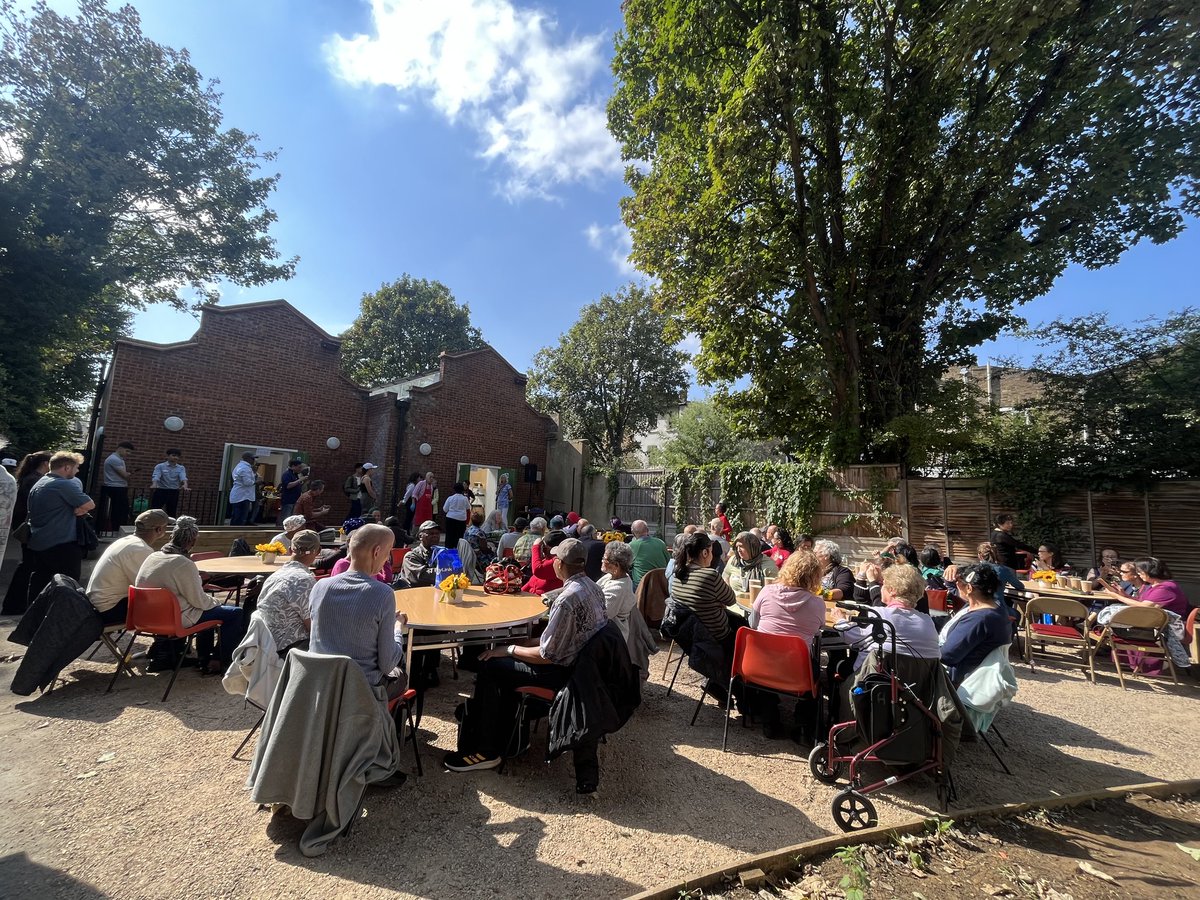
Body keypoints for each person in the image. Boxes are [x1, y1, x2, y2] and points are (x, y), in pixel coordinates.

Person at [443, 538, 606, 775]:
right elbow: (561, 638)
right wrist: (521, 644)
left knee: (490, 665)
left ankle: (486, 750)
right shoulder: (593, 588)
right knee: (502, 660)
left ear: (559, 564)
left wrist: (508, 649)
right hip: (582, 668)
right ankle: (509, 735)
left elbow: (547, 655)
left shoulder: (567, 598)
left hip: (562, 673)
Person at [135, 516, 245, 674]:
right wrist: (216, 602)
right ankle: (218, 660)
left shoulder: (153, 557)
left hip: (145, 617)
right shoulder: (183, 564)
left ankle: (203, 656)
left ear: (172, 536)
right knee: (235, 613)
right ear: (192, 541)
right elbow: (200, 601)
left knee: (208, 610)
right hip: (174, 619)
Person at [310, 523, 408, 699]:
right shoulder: (383, 593)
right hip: (361, 688)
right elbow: (387, 663)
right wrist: (397, 628)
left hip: (322, 682)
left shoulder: (320, 586)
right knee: (401, 674)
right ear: (377, 552)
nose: (387, 559)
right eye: (388, 553)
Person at [669, 531, 739, 698]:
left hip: (689, 636)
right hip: (715, 635)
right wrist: (716, 602)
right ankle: (732, 685)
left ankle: (716, 682)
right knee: (742, 630)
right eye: (711, 552)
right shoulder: (709, 575)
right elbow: (731, 600)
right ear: (705, 552)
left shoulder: (678, 573)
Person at [835, 564, 940, 671]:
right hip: (918, 679)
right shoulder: (927, 621)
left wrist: (840, 619)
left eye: (882, 584)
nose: (881, 588)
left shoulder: (879, 614)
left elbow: (849, 636)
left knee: (840, 666)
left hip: (874, 677)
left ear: (892, 590)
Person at [25, 451, 95, 608]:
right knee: (68, 585)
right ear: (66, 467)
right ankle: (62, 617)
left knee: (40, 582)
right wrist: (79, 509)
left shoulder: (40, 482)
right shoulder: (63, 484)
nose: (77, 471)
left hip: (40, 541)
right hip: (62, 542)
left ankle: (34, 615)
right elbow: (90, 504)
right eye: (76, 467)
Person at [86, 509, 172, 626]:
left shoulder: (125, 541)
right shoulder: (139, 549)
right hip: (109, 608)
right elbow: (147, 585)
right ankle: (167, 637)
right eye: (166, 527)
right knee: (171, 605)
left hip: (99, 603)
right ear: (159, 530)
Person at [940, 563, 1012, 685]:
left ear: (969, 588)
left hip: (955, 679)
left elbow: (947, 655)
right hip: (970, 673)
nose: (956, 585)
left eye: (958, 582)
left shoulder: (979, 620)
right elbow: (954, 588)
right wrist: (953, 570)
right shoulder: (994, 607)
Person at [257, 529, 321, 656]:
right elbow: (314, 627)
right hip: (290, 649)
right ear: (318, 551)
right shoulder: (304, 581)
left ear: (290, 550)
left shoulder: (274, 576)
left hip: (266, 643)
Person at [751, 549, 825, 641]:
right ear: (816, 576)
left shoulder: (767, 592)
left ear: (786, 568)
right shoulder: (818, 604)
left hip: (761, 648)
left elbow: (753, 624)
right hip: (797, 650)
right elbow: (817, 630)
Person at [1097, 557, 1189, 617]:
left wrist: (1117, 596)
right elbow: (1141, 602)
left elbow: (1144, 607)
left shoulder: (1165, 588)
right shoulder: (1154, 586)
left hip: (1168, 625)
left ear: (1150, 571)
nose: (1139, 574)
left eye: (1140, 571)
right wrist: (1124, 595)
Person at [597, 540, 636, 640]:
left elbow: (600, 615)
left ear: (616, 566)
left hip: (611, 636)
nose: (602, 561)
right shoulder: (612, 576)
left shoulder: (618, 589)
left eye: (605, 559)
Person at [100, 440, 134, 534]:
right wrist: (129, 474)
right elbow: (124, 475)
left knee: (120, 510)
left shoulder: (118, 459)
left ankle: (117, 530)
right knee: (119, 511)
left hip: (117, 486)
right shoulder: (114, 459)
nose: (128, 454)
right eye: (127, 451)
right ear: (120, 448)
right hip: (116, 487)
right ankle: (116, 530)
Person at [399, 520, 445, 587]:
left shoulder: (442, 554)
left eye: (437, 533)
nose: (435, 536)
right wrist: (447, 571)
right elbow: (421, 575)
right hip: (414, 591)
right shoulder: (411, 556)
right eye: (431, 533)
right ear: (420, 536)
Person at [522, 528, 566, 595]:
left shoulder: (559, 562)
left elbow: (538, 570)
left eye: (544, 548)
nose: (543, 551)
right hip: (532, 598)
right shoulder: (546, 560)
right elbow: (532, 582)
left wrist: (536, 547)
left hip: (544, 599)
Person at [629, 519, 670, 589]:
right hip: (661, 585)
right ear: (648, 530)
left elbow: (626, 566)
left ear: (633, 533)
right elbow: (668, 562)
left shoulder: (632, 545)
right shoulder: (660, 543)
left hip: (642, 587)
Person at [150, 448, 188, 516]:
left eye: (177, 456)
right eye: (173, 455)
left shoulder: (181, 468)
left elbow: (183, 476)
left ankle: (170, 523)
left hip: (174, 491)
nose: (176, 458)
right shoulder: (160, 466)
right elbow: (156, 476)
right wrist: (154, 484)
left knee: (172, 512)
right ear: (167, 456)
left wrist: (185, 484)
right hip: (161, 490)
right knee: (155, 511)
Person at [229, 451, 258, 526]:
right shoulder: (245, 468)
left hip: (239, 495)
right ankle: (237, 531)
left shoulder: (240, 466)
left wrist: (254, 473)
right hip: (243, 496)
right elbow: (247, 482)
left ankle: (232, 530)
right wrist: (257, 482)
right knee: (240, 519)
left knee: (236, 517)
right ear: (247, 458)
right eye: (253, 459)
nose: (254, 460)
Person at [442, 481, 472, 549]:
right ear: (462, 490)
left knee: (449, 535)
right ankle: (458, 550)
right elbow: (468, 508)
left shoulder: (450, 498)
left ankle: (448, 549)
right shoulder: (465, 499)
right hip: (461, 520)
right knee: (459, 536)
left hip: (450, 518)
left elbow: (445, 509)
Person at [277, 458, 306, 524]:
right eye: (299, 467)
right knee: (286, 518)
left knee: (292, 519)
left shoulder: (295, 475)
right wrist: (299, 480)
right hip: (288, 500)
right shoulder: (287, 474)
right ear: (293, 466)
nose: (300, 469)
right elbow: (288, 485)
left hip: (295, 500)